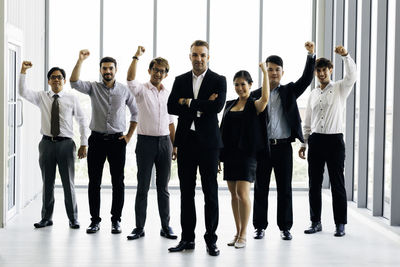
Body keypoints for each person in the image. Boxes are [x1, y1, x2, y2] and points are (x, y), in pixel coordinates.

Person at [167, 40, 227, 256]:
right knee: (186, 193)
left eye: (202, 55)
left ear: (208, 57)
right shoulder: (180, 79)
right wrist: (202, 104)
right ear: (189, 56)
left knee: (210, 192)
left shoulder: (219, 80)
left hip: (209, 144)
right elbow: (171, 106)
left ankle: (211, 240)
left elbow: (217, 107)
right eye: (195, 55)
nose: (199, 58)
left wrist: (189, 103)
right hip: (186, 142)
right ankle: (187, 239)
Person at [252, 41, 316, 241]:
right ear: (265, 72)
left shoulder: (289, 91)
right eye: (269, 70)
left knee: (284, 189)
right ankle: (259, 227)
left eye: (276, 70)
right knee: (260, 188)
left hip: (283, 148)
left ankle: (285, 227)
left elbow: (306, 79)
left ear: (282, 72)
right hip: (263, 148)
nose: (273, 73)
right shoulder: (256, 95)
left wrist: (311, 55)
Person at [70, 50, 138, 234]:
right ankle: (95, 221)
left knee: (118, 182)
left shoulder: (124, 90)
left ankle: (116, 220)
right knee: (94, 182)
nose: (107, 71)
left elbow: (135, 113)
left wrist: (129, 136)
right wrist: (80, 60)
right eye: (104, 68)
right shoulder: (93, 87)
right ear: (100, 70)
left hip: (117, 141)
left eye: (110, 68)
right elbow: (74, 82)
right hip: (97, 140)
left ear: (116, 70)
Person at [19, 61, 89, 229]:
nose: (56, 80)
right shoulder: (42, 97)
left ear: (64, 81)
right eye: (53, 77)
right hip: (46, 144)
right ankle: (46, 218)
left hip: (66, 145)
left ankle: (73, 218)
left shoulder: (72, 98)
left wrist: (84, 143)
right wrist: (23, 71)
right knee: (47, 183)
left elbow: (82, 120)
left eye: (59, 77)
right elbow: (22, 91)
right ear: (49, 81)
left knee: (68, 184)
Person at [299, 46, 357, 237]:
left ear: (330, 71)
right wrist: (304, 143)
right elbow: (307, 121)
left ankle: (340, 223)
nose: (321, 73)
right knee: (314, 184)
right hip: (316, 141)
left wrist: (345, 56)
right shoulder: (313, 94)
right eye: (318, 70)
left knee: (337, 183)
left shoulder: (340, 88)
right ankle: (315, 222)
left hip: (334, 141)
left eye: (325, 70)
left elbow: (352, 76)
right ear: (315, 72)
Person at [125, 46, 177, 240]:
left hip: (165, 143)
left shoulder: (168, 93)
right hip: (145, 143)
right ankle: (139, 228)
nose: (158, 73)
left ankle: (166, 226)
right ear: (150, 71)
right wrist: (136, 56)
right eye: (155, 69)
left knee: (163, 188)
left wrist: (175, 145)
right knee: (143, 187)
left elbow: (171, 122)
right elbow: (130, 79)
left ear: (166, 74)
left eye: (162, 71)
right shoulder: (140, 90)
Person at [220, 64, 269, 248]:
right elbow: (222, 130)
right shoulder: (229, 105)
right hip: (230, 154)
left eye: (243, 84)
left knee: (242, 193)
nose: (240, 88)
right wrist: (219, 155)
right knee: (233, 195)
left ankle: (244, 234)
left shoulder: (254, 104)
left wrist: (265, 73)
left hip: (247, 155)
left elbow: (265, 98)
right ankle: (237, 231)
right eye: (236, 85)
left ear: (250, 85)